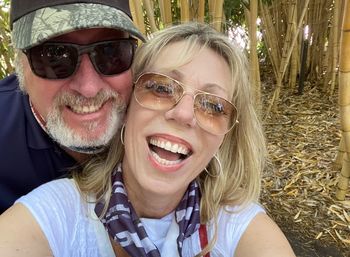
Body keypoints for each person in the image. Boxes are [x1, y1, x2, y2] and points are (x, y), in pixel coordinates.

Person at [0, 22, 296, 256]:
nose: (183, 115)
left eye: (213, 106)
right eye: (161, 88)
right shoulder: (56, 213)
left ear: (225, 136)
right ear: (127, 106)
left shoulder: (234, 226)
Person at [0, 0, 145, 213]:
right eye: (54, 56)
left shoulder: (157, 119)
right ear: (20, 64)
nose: (89, 88)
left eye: (110, 51)